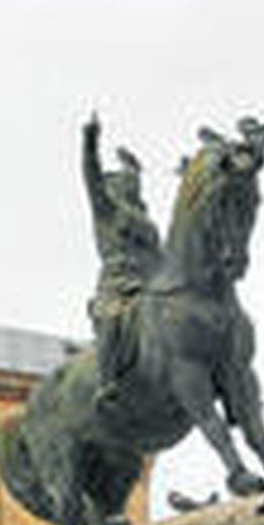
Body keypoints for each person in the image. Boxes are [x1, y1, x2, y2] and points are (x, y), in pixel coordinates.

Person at [82, 113, 161, 411]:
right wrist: (90, 142)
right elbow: (90, 175)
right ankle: (107, 382)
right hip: (118, 285)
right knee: (113, 318)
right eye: (123, 182)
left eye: (130, 183)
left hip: (151, 286)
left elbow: (162, 258)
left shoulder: (147, 224)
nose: (129, 186)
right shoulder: (106, 211)